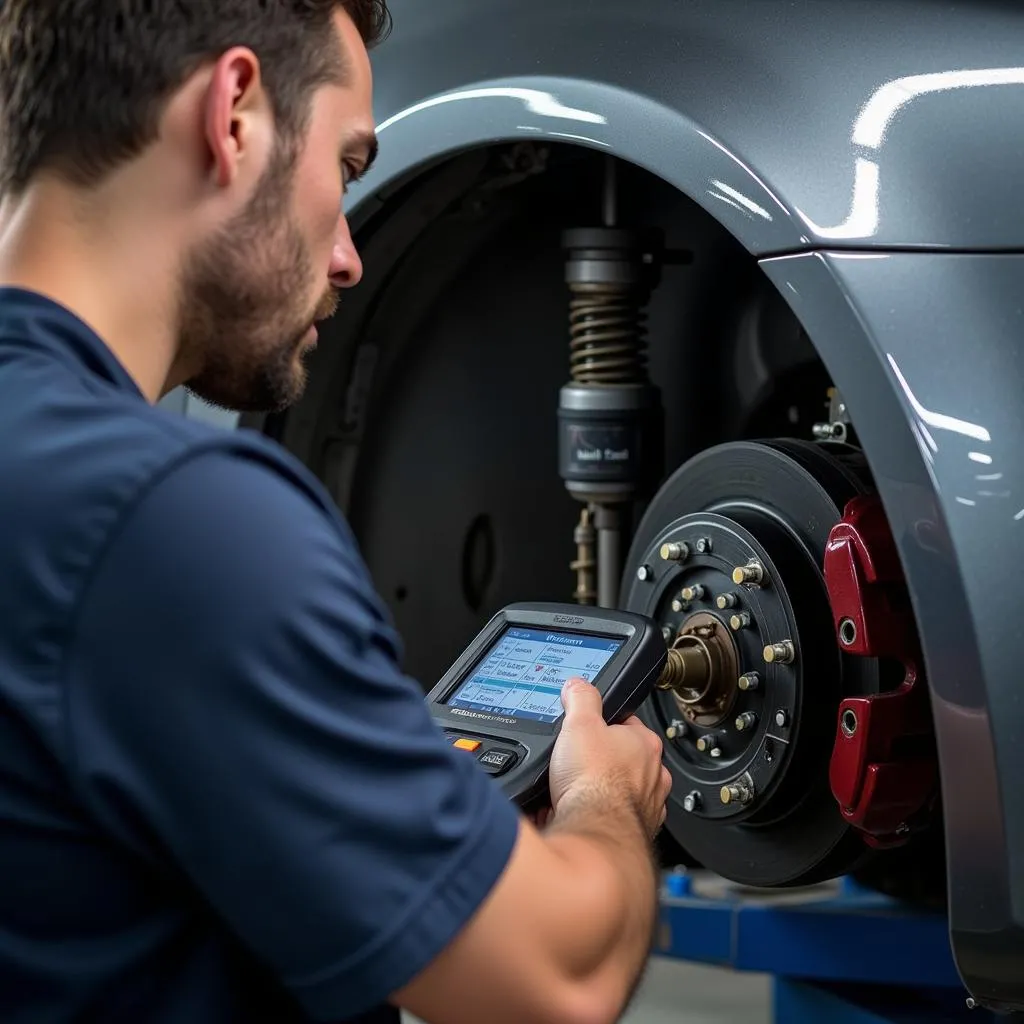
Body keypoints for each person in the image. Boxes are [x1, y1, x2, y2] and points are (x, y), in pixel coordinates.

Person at [0, 2, 673, 1022]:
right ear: (233, 116)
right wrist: (605, 797)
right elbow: (556, 978)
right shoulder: (175, 521)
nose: (351, 255)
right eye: (348, 168)